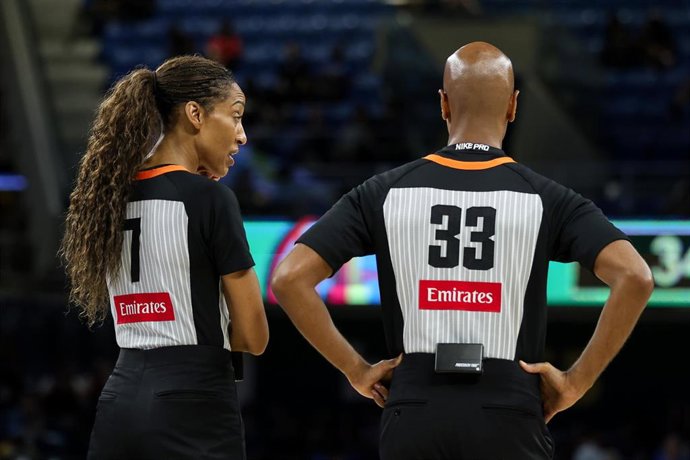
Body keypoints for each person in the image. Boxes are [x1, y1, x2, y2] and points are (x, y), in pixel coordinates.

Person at [271, 42, 654, 459]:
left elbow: (290, 278)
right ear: (512, 106)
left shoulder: (382, 192)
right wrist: (577, 381)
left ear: (443, 105)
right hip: (510, 406)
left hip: (413, 405)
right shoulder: (549, 198)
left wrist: (356, 369)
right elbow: (635, 277)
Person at [60, 55, 268, 460]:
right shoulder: (210, 199)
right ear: (195, 114)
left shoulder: (108, 196)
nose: (242, 136)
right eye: (236, 116)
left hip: (119, 397)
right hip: (194, 402)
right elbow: (254, 337)